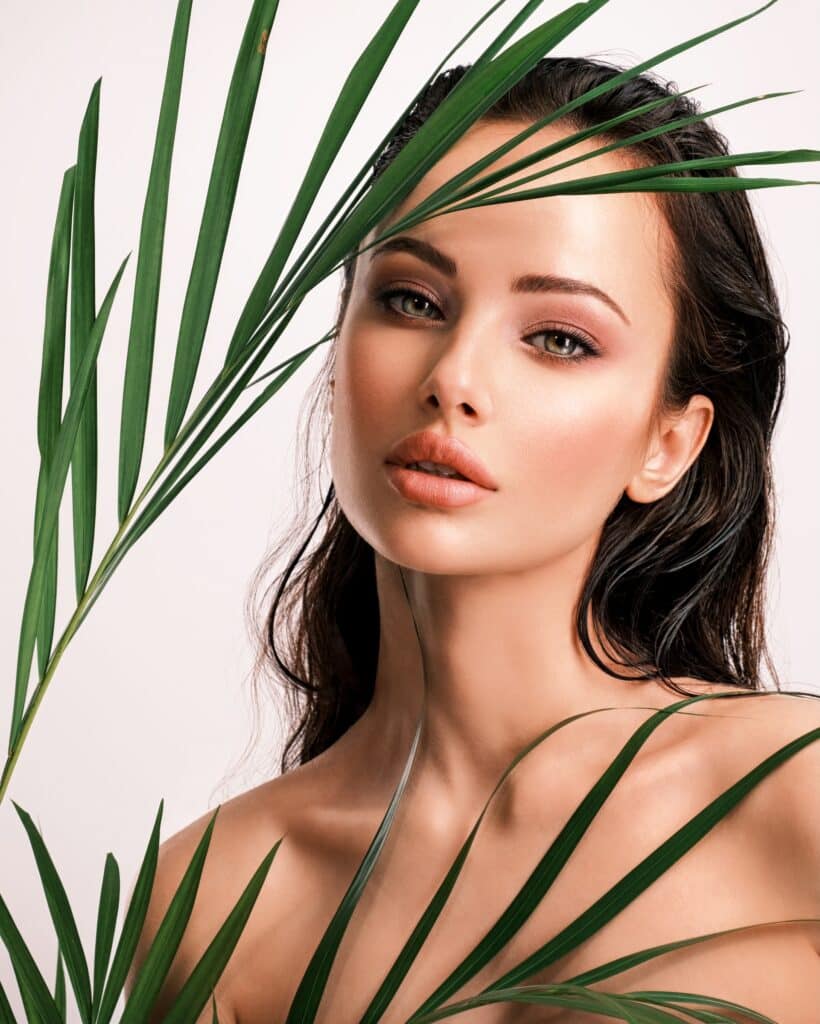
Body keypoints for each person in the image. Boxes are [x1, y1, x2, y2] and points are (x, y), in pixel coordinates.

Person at [127, 56, 820, 1023]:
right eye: (413, 300)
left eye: (560, 338)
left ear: (669, 443)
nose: (454, 376)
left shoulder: (796, 794)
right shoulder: (210, 902)